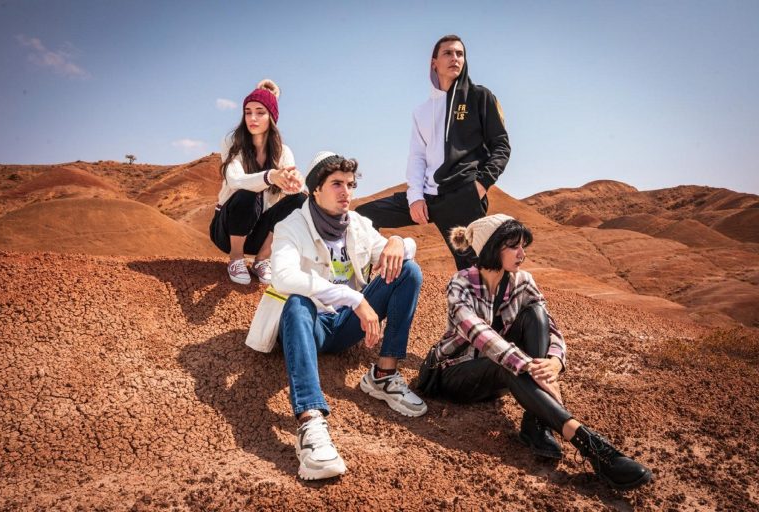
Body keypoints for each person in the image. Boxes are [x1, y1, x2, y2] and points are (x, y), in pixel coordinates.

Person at [416, 214, 653, 490]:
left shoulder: (522, 280)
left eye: (523, 246)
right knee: (508, 363)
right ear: (492, 247)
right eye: (513, 246)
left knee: (536, 313)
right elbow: (478, 332)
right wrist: (527, 365)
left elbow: (549, 327)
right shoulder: (460, 283)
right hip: (453, 374)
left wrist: (554, 362)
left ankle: (535, 424)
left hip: (501, 373)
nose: (522, 254)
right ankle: (590, 445)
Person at [271, 151, 427, 480]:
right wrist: (352, 296)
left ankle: (383, 376)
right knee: (297, 302)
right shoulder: (291, 226)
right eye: (337, 184)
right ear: (315, 188)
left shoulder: (357, 224)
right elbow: (283, 277)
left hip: (344, 326)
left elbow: (393, 252)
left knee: (408, 271)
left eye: (351, 184)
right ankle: (310, 423)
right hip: (308, 326)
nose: (346, 192)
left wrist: (398, 241)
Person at [356, 34, 511, 270]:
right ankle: (367, 283)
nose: (455, 58)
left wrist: (480, 185)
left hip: (462, 196)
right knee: (363, 217)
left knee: (476, 272)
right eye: (448, 53)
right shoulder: (422, 111)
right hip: (427, 197)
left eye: (460, 54)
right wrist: (415, 198)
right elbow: (417, 157)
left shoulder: (480, 97)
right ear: (434, 63)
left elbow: (501, 145)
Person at [210, 79, 305, 285]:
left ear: (272, 117)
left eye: (260, 112)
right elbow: (235, 180)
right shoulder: (232, 142)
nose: (252, 118)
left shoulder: (283, 152)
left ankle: (262, 260)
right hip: (227, 231)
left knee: (300, 200)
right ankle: (236, 259)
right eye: (248, 112)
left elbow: (291, 195)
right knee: (247, 193)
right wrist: (271, 176)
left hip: (259, 235)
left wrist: (295, 183)